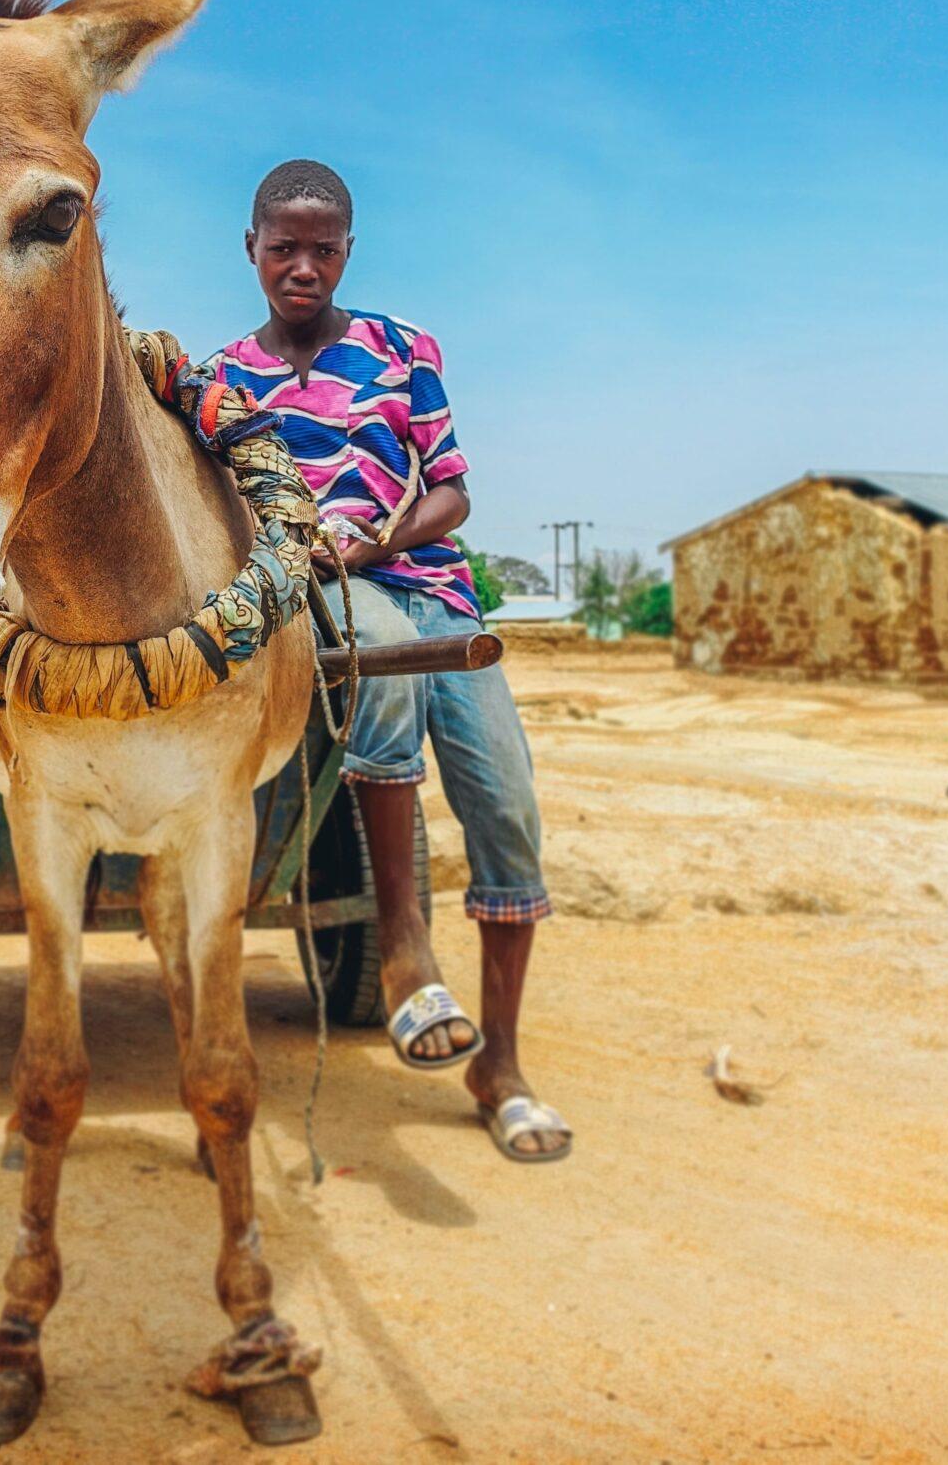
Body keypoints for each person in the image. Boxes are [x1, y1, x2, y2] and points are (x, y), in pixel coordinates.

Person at [213, 160, 570, 1162]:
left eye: (322, 249)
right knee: (378, 659)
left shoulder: (399, 350)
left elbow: (452, 493)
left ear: (347, 252)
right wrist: (311, 552)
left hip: (433, 589)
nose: (302, 267)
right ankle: (405, 954)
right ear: (250, 249)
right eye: (282, 248)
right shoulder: (221, 379)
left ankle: (499, 1063)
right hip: (321, 595)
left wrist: (379, 538)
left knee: (506, 803)